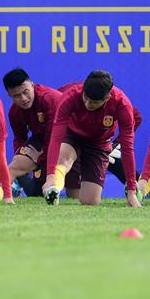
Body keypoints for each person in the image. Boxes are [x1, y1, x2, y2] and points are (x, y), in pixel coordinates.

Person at [42, 70, 141, 207]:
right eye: (85, 98)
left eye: (94, 102)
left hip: (99, 143)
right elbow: (56, 138)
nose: (88, 104)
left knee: (90, 201)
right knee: (64, 159)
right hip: (72, 135)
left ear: (107, 98)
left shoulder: (122, 104)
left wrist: (131, 190)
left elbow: (128, 148)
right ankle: (53, 189)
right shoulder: (70, 97)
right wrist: (50, 176)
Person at [2, 68, 61, 198]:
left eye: (26, 92)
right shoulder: (14, 112)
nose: (23, 99)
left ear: (32, 85)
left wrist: (40, 158)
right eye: (16, 96)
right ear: (9, 95)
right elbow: (19, 138)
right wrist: (19, 155)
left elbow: (54, 138)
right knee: (13, 168)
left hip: (65, 141)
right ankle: (5, 197)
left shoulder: (49, 100)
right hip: (41, 142)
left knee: (81, 196)